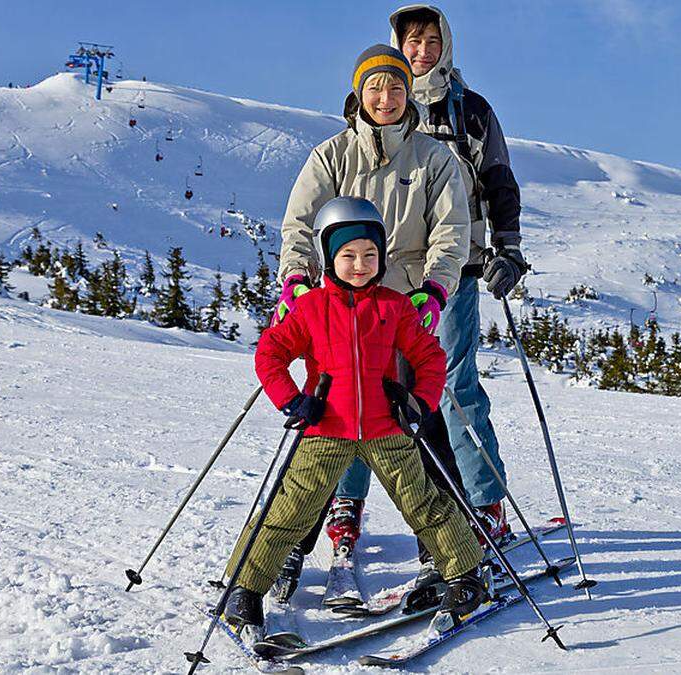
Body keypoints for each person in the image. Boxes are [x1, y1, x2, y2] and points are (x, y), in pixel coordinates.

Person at [223, 196, 484, 629]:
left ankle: (465, 573)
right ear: (329, 257)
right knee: (289, 511)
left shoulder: (394, 306)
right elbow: (269, 353)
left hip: (386, 427)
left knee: (425, 503)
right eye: (348, 255)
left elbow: (430, 358)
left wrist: (420, 402)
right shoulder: (310, 309)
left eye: (369, 255)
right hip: (326, 428)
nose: (359, 264)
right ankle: (244, 588)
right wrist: (292, 400)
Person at [270, 44, 472, 596]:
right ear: (359, 93)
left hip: (403, 306)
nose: (387, 98)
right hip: (336, 311)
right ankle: (288, 545)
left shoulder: (435, 158)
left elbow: (452, 233)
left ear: (411, 94)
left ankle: (447, 545)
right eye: (376, 88)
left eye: (397, 87)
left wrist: (434, 290)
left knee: (421, 421)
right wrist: (295, 280)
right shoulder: (331, 156)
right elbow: (299, 225)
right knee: (322, 425)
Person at [389, 3, 527, 545]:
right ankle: (360, 512)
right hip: (388, 273)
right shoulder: (382, 104)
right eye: (412, 41)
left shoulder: (470, 111)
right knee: (379, 390)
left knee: (451, 385)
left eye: (430, 40)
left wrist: (508, 249)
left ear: (446, 43)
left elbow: (498, 181)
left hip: (455, 269)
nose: (421, 51)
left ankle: (484, 505)